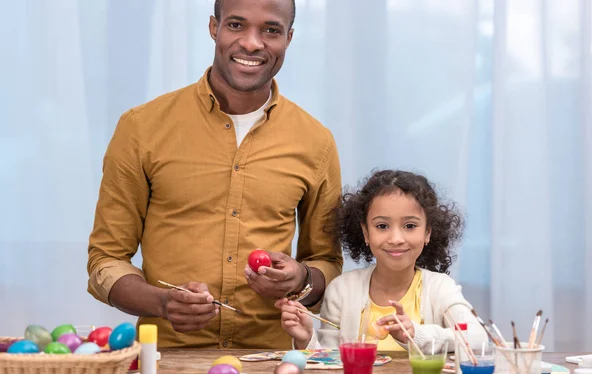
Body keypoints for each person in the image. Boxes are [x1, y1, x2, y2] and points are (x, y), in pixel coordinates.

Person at [87, 0, 342, 349]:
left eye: (271, 30)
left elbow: (327, 263)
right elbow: (106, 259)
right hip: (167, 362)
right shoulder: (141, 128)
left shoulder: (316, 142)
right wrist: (161, 302)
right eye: (236, 25)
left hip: (273, 366)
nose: (252, 43)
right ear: (214, 28)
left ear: (289, 38)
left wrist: (300, 279)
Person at [278, 170, 487, 351]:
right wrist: (306, 339)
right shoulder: (342, 289)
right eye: (382, 226)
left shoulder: (440, 288)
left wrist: (416, 333)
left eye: (410, 226)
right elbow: (330, 360)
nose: (396, 239)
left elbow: (478, 340)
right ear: (365, 233)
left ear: (428, 233)